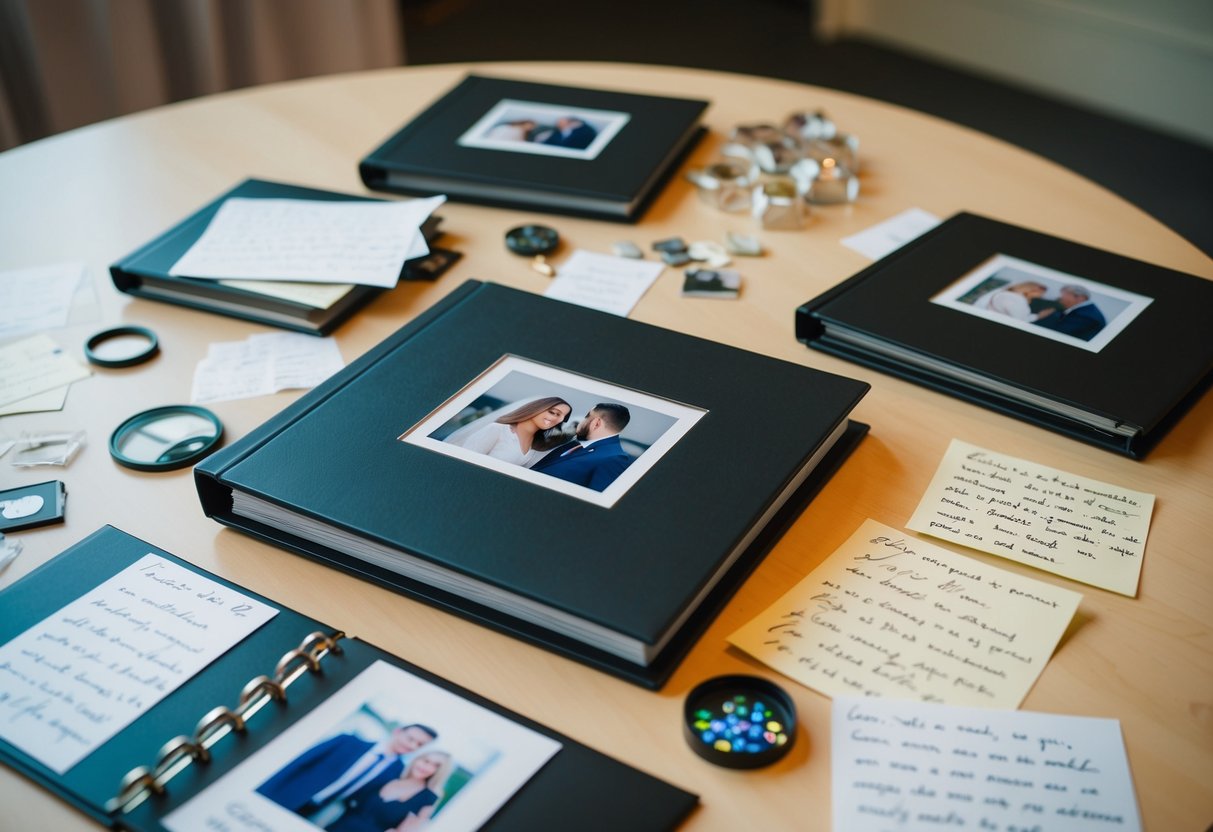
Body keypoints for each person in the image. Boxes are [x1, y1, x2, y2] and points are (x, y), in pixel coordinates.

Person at [256, 723, 437, 817]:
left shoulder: (398, 772)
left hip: (314, 811)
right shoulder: (347, 741)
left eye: (419, 744)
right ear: (398, 732)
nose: (412, 745)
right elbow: (298, 763)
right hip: (279, 794)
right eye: (410, 738)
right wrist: (263, 790)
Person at [326, 751, 453, 832]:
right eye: (426, 761)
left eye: (436, 765)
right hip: (338, 827)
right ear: (417, 759)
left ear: (439, 772)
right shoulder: (391, 776)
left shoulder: (427, 799)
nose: (426, 767)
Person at [529, 403, 632, 491]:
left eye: (587, 417)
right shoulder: (575, 444)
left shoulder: (614, 459)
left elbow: (594, 503)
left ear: (596, 423)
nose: (581, 421)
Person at [458, 396, 572, 466]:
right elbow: (462, 461)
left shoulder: (536, 445)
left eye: (563, 418)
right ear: (537, 408)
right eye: (553, 412)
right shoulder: (497, 430)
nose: (558, 419)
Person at [1032, 283, 1107, 340]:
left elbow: (1057, 332)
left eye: (1064, 295)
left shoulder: (1086, 316)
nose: (1060, 298)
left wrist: (1042, 315)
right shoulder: (1085, 311)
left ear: (1080, 298)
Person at [973, 280, 1047, 321]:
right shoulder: (1015, 299)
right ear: (1031, 290)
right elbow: (1021, 320)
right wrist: (1038, 316)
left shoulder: (1008, 294)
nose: (1042, 296)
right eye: (1040, 293)